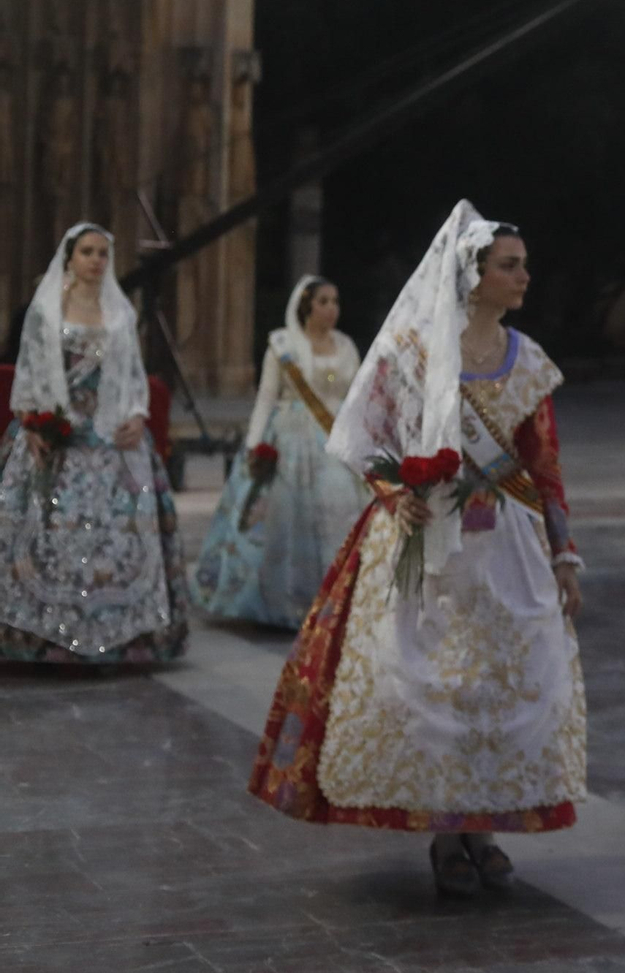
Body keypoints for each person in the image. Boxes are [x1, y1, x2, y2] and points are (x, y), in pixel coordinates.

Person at [247, 204, 587, 897]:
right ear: (473, 275)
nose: (524, 275)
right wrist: (388, 487)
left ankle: (486, 827)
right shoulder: (412, 352)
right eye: (509, 265)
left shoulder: (530, 361)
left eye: (522, 264)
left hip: (508, 549)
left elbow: (542, 464)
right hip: (427, 542)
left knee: (504, 684)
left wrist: (563, 554)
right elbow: (364, 436)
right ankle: (445, 834)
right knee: (436, 685)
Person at [0, 223, 190, 663]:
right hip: (56, 435)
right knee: (46, 531)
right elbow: (27, 372)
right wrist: (33, 423)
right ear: (69, 257)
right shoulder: (46, 312)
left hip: (109, 441)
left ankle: (120, 638)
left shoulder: (121, 314)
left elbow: (132, 377)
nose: (96, 261)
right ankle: (43, 640)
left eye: (103, 253)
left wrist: (138, 414)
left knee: (118, 538)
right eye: (87, 252)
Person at [193, 275, 370, 628]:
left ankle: (336, 598)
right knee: (284, 519)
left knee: (339, 511)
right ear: (306, 306)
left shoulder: (346, 346)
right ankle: (280, 601)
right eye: (323, 301)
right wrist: (254, 445)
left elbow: (355, 397)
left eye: (335, 302)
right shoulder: (282, 345)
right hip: (289, 440)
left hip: (333, 439)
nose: (331, 309)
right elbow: (265, 398)